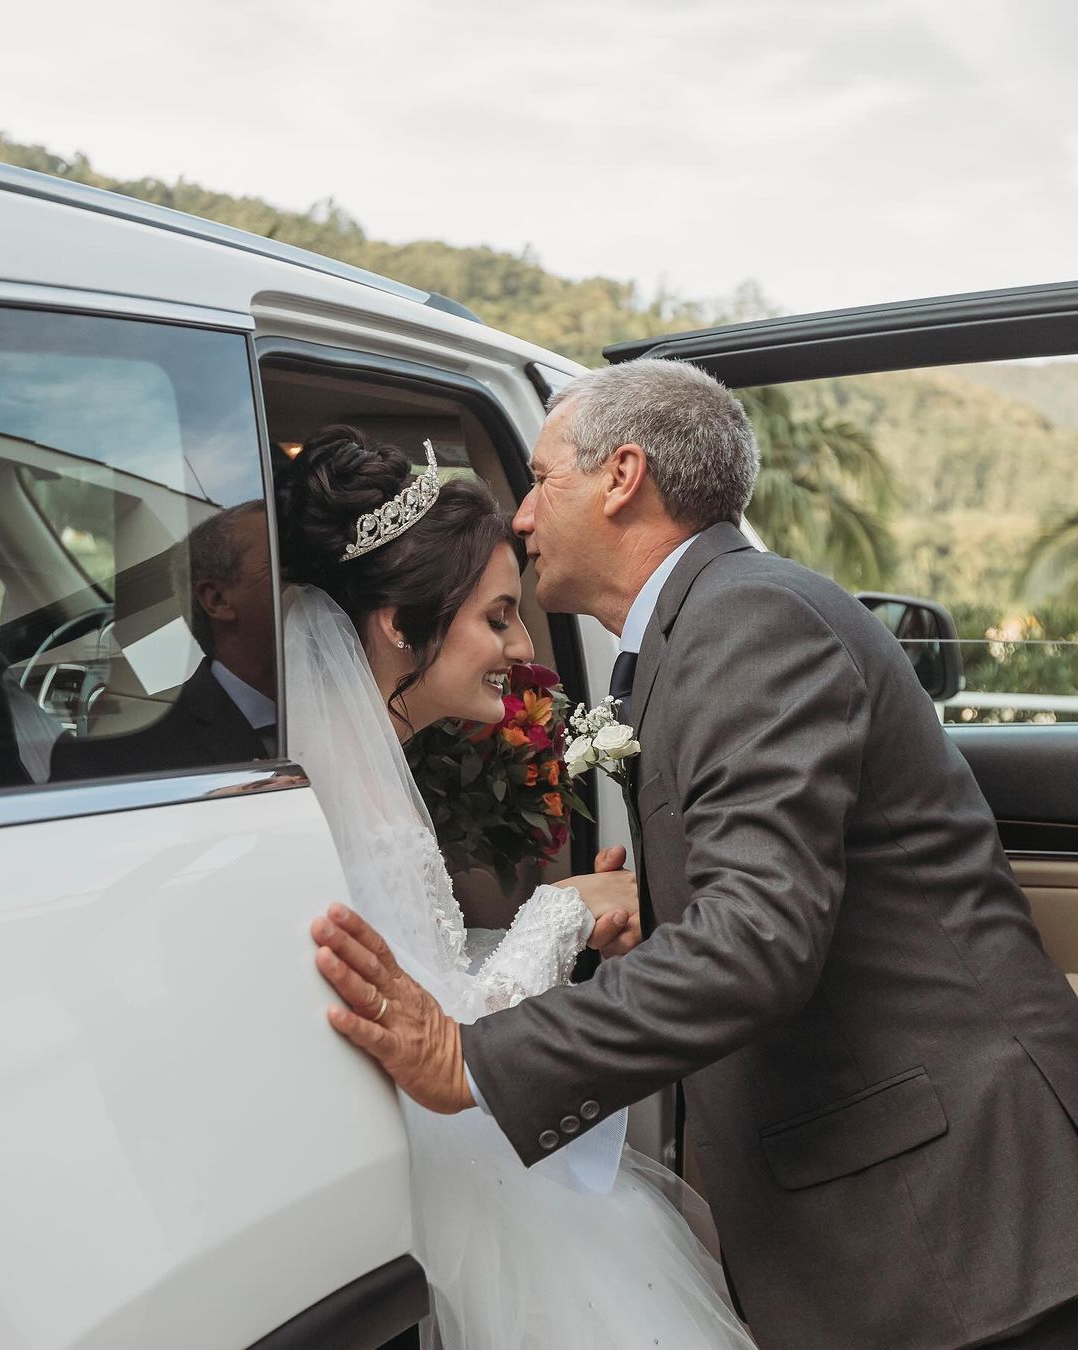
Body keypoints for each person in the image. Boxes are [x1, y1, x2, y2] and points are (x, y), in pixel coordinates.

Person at [314, 362, 1078, 1350]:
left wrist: (470, 1057)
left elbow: (756, 939)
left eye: (542, 481)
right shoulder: (714, 619)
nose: (525, 518)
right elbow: (778, 897)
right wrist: (666, 910)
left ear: (622, 476)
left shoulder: (745, 619)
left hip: (953, 1223)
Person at [279, 423, 755, 1350]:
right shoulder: (359, 799)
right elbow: (439, 1032)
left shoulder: (352, 768)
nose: (521, 643)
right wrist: (561, 912)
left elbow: (418, 981)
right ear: (398, 624)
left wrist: (568, 924)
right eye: (498, 617)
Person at [54, 502, 275, 777]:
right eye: (281, 565)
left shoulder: (340, 700)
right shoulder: (113, 757)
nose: (311, 584)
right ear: (217, 600)